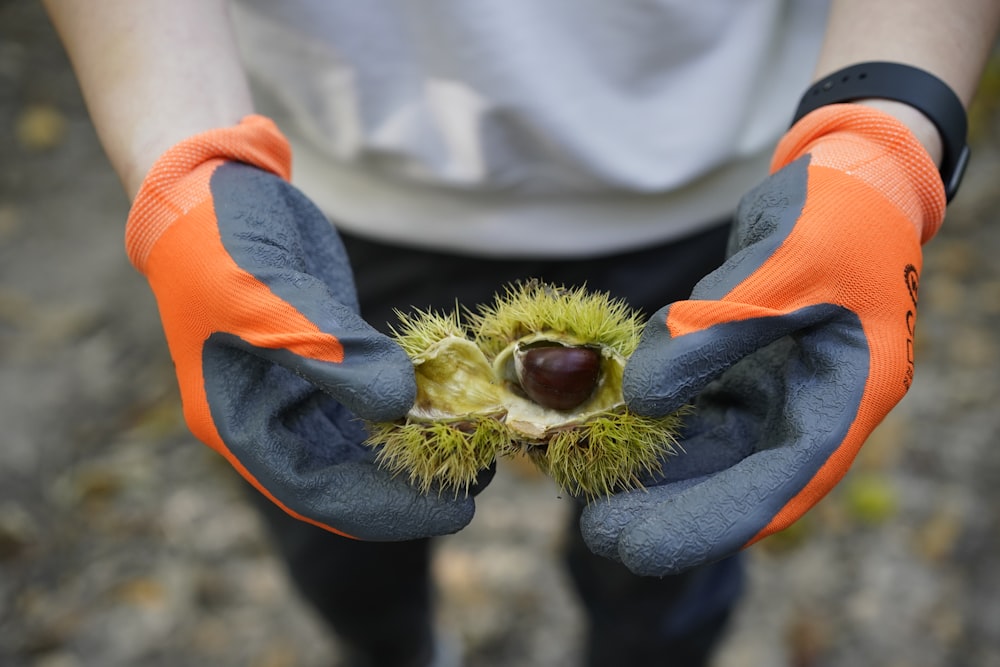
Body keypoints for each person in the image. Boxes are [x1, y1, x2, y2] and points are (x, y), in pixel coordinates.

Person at [40, 1, 1000, 665]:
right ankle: (397, 649)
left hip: (729, 209)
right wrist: (183, 157)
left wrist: (885, 132)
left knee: (674, 547)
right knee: (334, 522)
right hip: (319, 207)